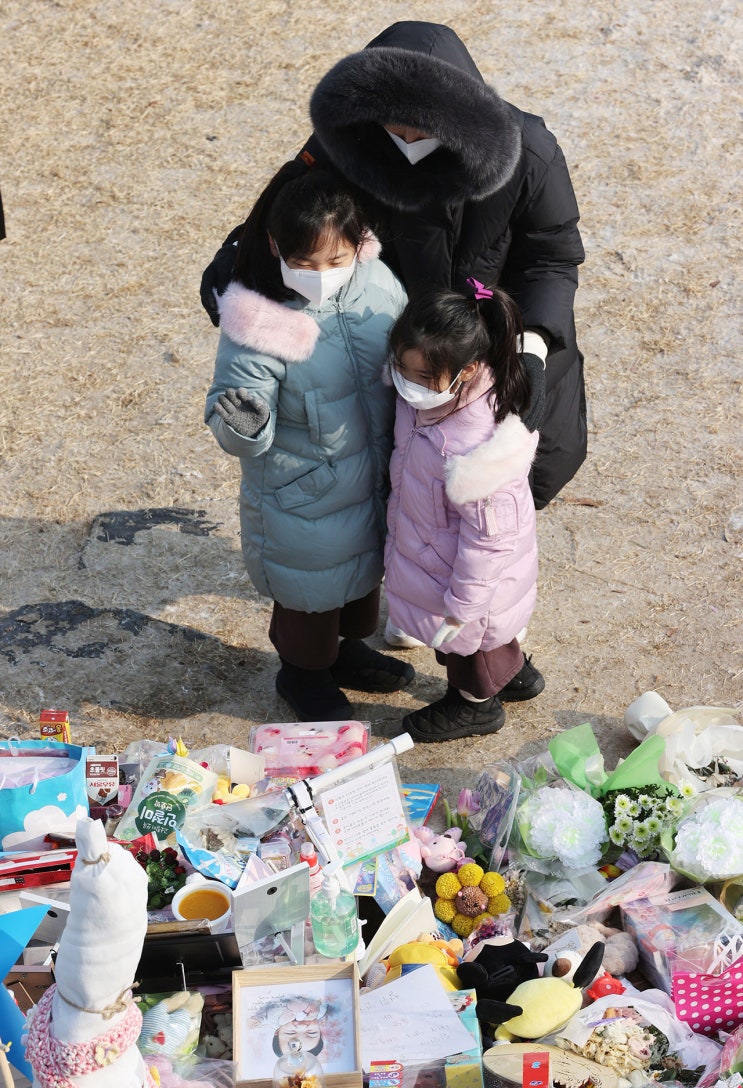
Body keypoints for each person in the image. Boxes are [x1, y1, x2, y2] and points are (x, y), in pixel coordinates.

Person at [200, 21, 586, 519]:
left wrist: (530, 347)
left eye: (421, 129)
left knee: (497, 500)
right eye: (393, 125)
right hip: (405, 350)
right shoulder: (354, 138)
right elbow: (300, 202)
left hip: (498, 348)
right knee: (405, 483)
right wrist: (242, 251)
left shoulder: (528, 150)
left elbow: (551, 257)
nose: (405, 139)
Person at [204, 161, 413, 722]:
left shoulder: (377, 283)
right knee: (308, 600)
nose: (321, 272)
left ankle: (347, 653)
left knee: (359, 581)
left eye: (335, 261)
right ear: (275, 246)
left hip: (371, 471)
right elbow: (229, 410)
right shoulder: (259, 322)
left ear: (358, 243)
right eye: (304, 262)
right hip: (303, 492)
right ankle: (302, 674)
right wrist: (245, 424)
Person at [383, 278, 543, 742]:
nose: (406, 385)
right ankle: (516, 675)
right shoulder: (431, 403)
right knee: (486, 637)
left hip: (468, 582)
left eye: (419, 377)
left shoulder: (478, 447)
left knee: (470, 645)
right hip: (440, 559)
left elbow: (490, 541)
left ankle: (475, 705)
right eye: (401, 369)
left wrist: (460, 609)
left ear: (468, 370)